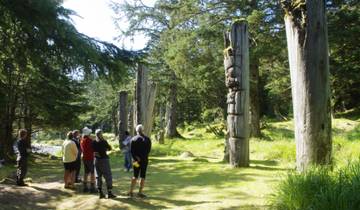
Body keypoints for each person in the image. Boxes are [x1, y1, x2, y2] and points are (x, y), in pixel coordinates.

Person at [128, 124, 152, 198]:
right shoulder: (147, 139)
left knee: (135, 175)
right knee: (142, 176)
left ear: (136, 131)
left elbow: (131, 151)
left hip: (136, 161)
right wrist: (143, 157)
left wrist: (136, 157)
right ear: (143, 130)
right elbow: (148, 150)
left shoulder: (133, 139)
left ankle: (131, 192)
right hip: (144, 160)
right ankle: (140, 192)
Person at [93, 129, 116, 199]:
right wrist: (105, 149)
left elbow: (93, 150)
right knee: (108, 176)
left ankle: (100, 193)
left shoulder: (93, 142)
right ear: (100, 134)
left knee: (98, 176)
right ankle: (109, 193)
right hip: (104, 160)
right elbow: (109, 148)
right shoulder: (103, 141)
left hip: (96, 160)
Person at [80, 127, 96, 193]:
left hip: (85, 158)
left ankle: (85, 187)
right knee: (92, 172)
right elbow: (93, 149)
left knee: (86, 172)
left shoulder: (82, 140)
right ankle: (92, 187)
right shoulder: (89, 140)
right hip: (90, 158)